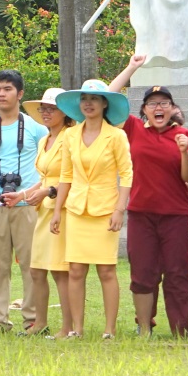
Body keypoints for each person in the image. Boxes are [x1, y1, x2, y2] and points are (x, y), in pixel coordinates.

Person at [106, 54, 188, 336]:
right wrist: (132, 68)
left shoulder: (184, 135)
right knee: (143, 272)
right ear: (143, 109)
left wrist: (184, 152)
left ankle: (180, 330)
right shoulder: (133, 130)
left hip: (175, 215)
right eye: (153, 104)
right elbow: (107, 98)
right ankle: (144, 328)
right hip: (141, 214)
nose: (159, 108)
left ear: (172, 108)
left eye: (164, 104)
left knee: (177, 272)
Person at [51, 79, 133, 339]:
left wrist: (119, 209)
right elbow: (65, 175)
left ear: (104, 103)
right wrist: (56, 211)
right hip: (75, 209)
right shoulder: (70, 135)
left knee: (106, 270)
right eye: (84, 98)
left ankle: (109, 329)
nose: (88, 103)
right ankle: (77, 328)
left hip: (106, 210)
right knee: (75, 270)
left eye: (94, 98)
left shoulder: (117, 135)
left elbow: (127, 175)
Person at [0, 70, 47, 332]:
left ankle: (32, 319)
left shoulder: (37, 129)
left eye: (7, 89)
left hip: (28, 203)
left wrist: (25, 193)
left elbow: (45, 167)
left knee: (30, 262)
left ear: (20, 93)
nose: (1, 94)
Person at [5, 88, 74, 338]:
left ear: (65, 112)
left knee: (60, 270)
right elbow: (43, 177)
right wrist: (22, 195)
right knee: (36, 269)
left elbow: (70, 178)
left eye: (52, 108)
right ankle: (39, 323)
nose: (46, 112)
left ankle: (68, 327)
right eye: (43, 108)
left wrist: (48, 193)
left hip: (61, 209)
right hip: (43, 209)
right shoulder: (46, 139)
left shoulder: (70, 137)